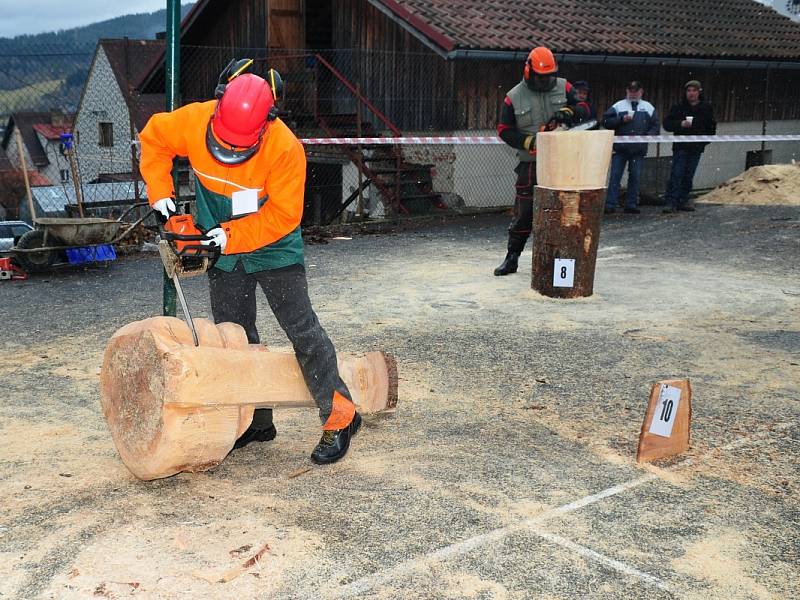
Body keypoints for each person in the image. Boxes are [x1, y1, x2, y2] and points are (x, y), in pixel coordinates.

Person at [139, 60, 361, 465]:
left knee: (302, 330)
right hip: (218, 243)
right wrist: (160, 193)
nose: (228, 154)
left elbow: (284, 216)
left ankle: (341, 416)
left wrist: (231, 236)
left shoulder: (285, 148)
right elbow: (153, 139)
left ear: (265, 126)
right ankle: (257, 422)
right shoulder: (194, 120)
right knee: (236, 336)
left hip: (272, 245)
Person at [494, 46, 590, 276]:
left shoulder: (563, 86)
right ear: (529, 72)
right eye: (541, 77)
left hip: (563, 161)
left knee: (565, 209)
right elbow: (503, 130)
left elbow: (584, 109)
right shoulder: (513, 97)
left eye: (549, 77)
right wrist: (530, 142)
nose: (546, 81)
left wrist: (567, 112)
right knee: (524, 211)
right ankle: (513, 256)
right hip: (531, 162)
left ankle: (564, 260)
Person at [602, 81, 660, 214]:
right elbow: (605, 122)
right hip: (620, 149)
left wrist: (648, 135)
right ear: (627, 91)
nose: (633, 93)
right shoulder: (618, 106)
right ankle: (610, 204)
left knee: (635, 176)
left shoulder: (648, 107)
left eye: (636, 91)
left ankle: (631, 204)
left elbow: (656, 126)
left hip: (638, 150)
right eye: (631, 91)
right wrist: (621, 120)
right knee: (615, 176)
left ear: (641, 92)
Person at [662, 80, 717, 213]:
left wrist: (703, 142)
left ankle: (683, 200)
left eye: (694, 90)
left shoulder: (706, 108)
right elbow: (667, 124)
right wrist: (680, 124)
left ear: (699, 92)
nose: (691, 93)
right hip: (681, 146)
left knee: (688, 174)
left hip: (696, 147)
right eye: (689, 91)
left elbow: (711, 127)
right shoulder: (678, 107)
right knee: (677, 173)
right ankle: (671, 201)